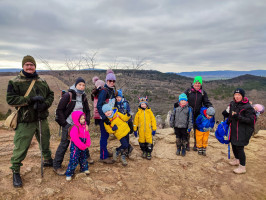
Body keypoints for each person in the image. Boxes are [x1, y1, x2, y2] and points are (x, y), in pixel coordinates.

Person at [6, 55, 54, 187]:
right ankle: (16, 170)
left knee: (45, 140)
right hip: (25, 120)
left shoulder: (42, 81)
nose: (29, 67)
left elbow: (50, 95)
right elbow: (10, 99)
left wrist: (45, 104)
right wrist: (30, 100)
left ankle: (48, 160)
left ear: (35, 66)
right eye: (26, 64)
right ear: (23, 66)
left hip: (41, 118)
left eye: (31, 64)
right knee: (21, 146)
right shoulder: (14, 82)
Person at [54, 77, 92, 175]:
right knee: (64, 144)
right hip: (69, 124)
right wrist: (65, 124)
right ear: (75, 85)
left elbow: (87, 111)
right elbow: (59, 110)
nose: (82, 86)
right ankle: (57, 166)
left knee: (82, 139)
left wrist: (86, 123)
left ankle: (85, 158)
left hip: (81, 125)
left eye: (83, 85)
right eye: (79, 84)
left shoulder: (83, 96)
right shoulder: (68, 95)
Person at [222, 88, 256, 174]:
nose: (237, 96)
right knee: (233, 144)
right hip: (233, 129)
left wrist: (239, 117)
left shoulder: (247, 107)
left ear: (242, 96)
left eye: (239, 95)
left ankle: (242, 166)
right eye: (236, 95)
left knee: (240, 147)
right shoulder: (233, 104)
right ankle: (237, 160)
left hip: (242, 131)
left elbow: (252, 120)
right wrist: (226, 113)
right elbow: (230, 115)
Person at [183, 76, 213, 151]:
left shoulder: (203, 93)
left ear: (201, 84)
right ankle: (187, 144)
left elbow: (206, 102)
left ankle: (196, 144)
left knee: (197, 130)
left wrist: (210, 108)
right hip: (188, 113)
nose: (197, 84)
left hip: (198, 114)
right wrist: (178, 104)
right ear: (193, 83)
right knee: (188, 129)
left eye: (199, 83)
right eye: (196, 83)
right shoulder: (188, 91)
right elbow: (182, 98)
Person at [97, 69, 117, 164]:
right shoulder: (104, 91)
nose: (112, 83)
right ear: (106, 81)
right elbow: (99, 105)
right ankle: (103, 156)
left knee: (106, 135)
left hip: (109, 117)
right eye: (110, 81)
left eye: (113, 81)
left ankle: (104, 152)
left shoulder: (111, 90)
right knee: (104, 136)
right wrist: (104, 118)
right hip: (104, 118)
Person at [65, 111, 91, 181]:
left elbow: (87, 135)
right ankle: (69, 173)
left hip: (83, 145)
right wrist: (82, 146)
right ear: (77, 119)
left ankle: (84, 168)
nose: (83, 120)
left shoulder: (85, 126)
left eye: (84, 119)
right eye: (81, 119)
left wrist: (88, 143)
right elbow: (75, 139)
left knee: (83, 157)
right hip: (76, 146)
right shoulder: (74, 128)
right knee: (74, 159)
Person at [114, 89, 134, 156]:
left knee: (127, 136)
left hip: (126, 123)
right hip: (119, 124)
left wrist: (131, 123)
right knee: (122, 137)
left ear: (121, 97)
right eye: (116, 97)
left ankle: (126, 150)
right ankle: (127, 147)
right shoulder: (115, 105)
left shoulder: (125, 104)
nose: (118, 99)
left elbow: (129, 113)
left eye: (119, 97)